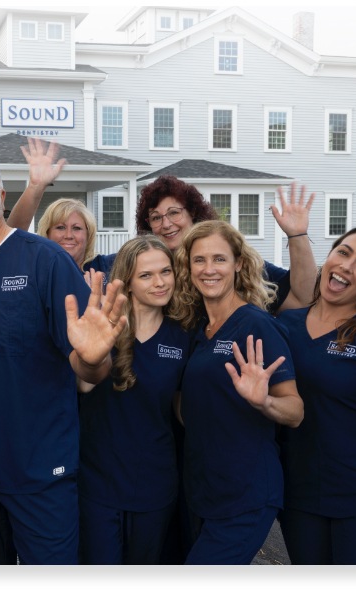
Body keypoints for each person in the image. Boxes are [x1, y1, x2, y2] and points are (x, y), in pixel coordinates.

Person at [0, 144, 127, 565]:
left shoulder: (46, 262)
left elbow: (90, 372)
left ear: (2, 196)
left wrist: (92, 356)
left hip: (40, 477)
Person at [168, 220, 304, 564]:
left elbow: (295, 410)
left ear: (238, 263)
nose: (208, 269)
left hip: (247, 493)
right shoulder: (199, 328)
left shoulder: (257, 325)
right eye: (199, 260)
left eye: (219, 259)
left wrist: (265, 401)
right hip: (203, 490)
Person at [277, 227, 356, 564]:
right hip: (299, 496)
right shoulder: (286, 325)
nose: (346, 265)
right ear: (328, 258)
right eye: (343, 252)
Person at [77, 236, 190, 564]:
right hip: (99, 483)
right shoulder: (101, 326)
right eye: (147, 275)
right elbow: (83, 386)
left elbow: (185, 411)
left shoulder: (183, 335)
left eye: (165, 272)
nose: (160, 282)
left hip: (154, 484)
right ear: (127, 280)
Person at [136, 174, 316, 313]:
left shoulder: (234, 263)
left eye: (174, 213)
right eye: (156, 217)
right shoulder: (144, 269)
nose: (166, 224)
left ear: (192, 212)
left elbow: (302, 298)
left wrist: (297, 235)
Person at [37, 198, 116, 281]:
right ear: (47, 232)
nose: (68, 235)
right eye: (60, 227)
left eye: (76, 228)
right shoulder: (35, 271)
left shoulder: (108, 265)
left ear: (88, 234)